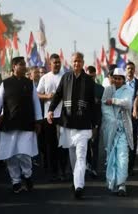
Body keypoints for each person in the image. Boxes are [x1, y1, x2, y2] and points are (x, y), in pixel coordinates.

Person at [47, 52, 98, 199]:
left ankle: (79, 187)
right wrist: (50, 110)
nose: (77, 64)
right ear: (71, 62)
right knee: (73, 158)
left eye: (79, 61)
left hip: (83, 125)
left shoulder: (88, 80)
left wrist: (95, 124)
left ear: (83, 63)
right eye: (74, 61)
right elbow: (57, 95)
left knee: (81, 156)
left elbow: (93, 105)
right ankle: (77, 180)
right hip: (67, 125)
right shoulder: (66, 77)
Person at [0, 56, 42, 193]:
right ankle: (16, 181)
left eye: (24, 64)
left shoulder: (30, 84)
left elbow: (36, 103)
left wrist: (38, 121)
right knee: (11, 154)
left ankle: (27, 175)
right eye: (21, 64)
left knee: (24, 153)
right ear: (14, 67)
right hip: (9, 124)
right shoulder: (5, 84)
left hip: (27, 123)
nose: (24, 66)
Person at [102, 67, 133, 196]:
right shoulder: (108, 90)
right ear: (112, 79)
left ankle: (122, 185)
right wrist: (112, 121)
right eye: (115, 78)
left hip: (123, 130)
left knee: (122, 157)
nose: (117, 80)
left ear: (123, 80)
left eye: (120, 78)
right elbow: (104, 106)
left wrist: (113, 101)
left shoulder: (127, 90)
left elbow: (127, 103)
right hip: (111, 129)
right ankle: (112, 182)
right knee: (111, 157)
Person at [37, 54, 68, 181]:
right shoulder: (45, 78)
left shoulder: (65, 77)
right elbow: (37, 94)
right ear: (50, 64)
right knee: (51, 144)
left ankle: (63, 170)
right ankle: (53, 171)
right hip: (48, 116)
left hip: (63, 115)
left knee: (63, 144)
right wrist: (47, 96)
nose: (57, 64)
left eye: (58, 62)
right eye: (54, 62)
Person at [85, 65, 104, 178]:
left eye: (92, 76)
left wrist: (97, 124)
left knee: (95, 144)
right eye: (88, 76)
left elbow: (103, 106)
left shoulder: (100, 88)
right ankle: (87, 165)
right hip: (84, 121)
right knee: (85, 144)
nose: (90, 78)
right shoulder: (81, 88)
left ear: (95, 75)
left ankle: (94, 167)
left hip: (96, 120)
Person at [125, 61, 138, 176]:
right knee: (123, 141)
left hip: (134, 116)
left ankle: (130, 167)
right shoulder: (120, 83)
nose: (130, 70)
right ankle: (122, 165)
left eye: (132, 68)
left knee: (132, 142)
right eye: (128, 68)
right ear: (125, 70)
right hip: (122, 117)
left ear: (134, 70)